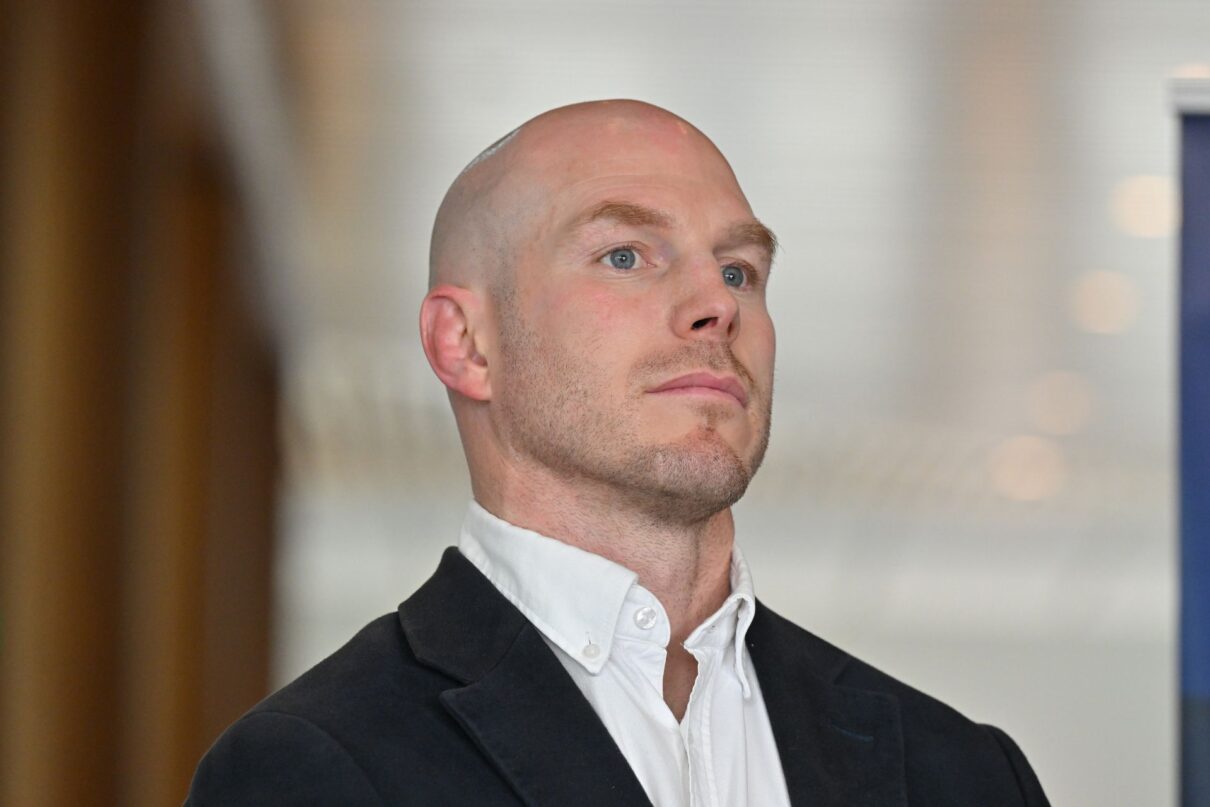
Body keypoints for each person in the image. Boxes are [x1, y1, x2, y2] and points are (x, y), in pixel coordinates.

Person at [186, 100, 1051, 806]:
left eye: (740, 269)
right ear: (466, 344)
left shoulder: (962, 774)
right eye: (627, 255)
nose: (716, 303)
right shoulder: (314, 770)